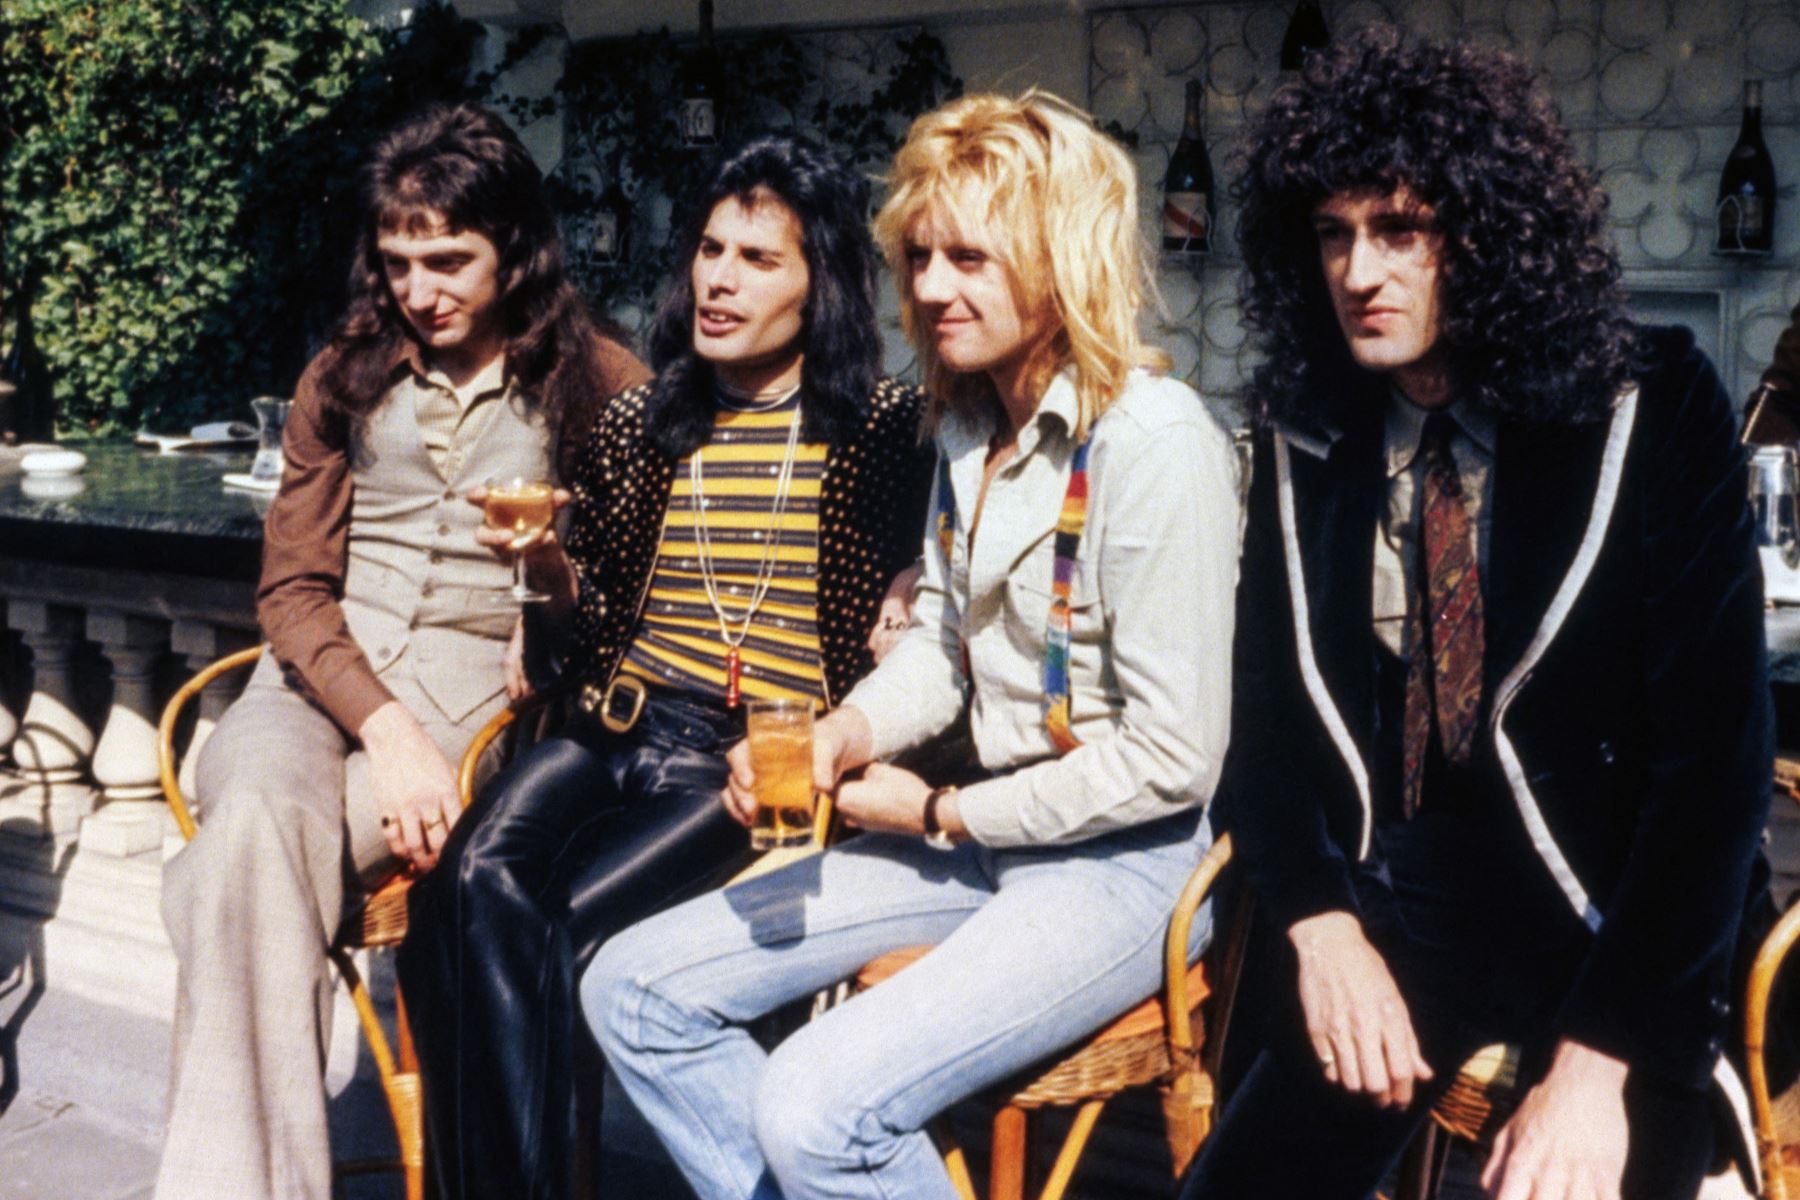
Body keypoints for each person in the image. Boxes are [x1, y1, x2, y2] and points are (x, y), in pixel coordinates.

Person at [582, 89, 1240, 1200]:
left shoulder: (1155, 443)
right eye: (922, 257)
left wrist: (939, 812)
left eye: (972, 258)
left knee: (813, 1105)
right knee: (633, 990)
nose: (932, 288)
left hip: (1122, 869)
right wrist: (845, 732)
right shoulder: (970, 425)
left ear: (1059, 257)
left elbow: (1174, 759)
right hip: (983, 849)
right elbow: (943, 640)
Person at [1182, 30, 1772, 1200]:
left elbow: (1716, 774)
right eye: (1334, 234)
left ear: (1491, 238)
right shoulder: (1310, 435)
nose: (1360, 272)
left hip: (1615, 906)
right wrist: (1319, 927)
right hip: (1402, 901)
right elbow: (1267, 734)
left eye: (1402, 231)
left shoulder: (1653, 403)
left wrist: (1598, 1066)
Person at [396, 134, 935, 1200]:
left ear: (820, 285)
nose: (720, 280)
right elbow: (569, 651)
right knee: (458, 895)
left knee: (555, 927)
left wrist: (919, 577)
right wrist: (545, 573)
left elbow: (951, 580)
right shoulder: (646, 422)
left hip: (750, 764)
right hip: (613, 726)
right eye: (709, 248)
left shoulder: (886, 432)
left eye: (759, 259)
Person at [155, 102, 647, 1200]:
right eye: (399, 260)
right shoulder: (345, 372)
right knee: (254, 819)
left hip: (479, 705)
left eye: (449, 260)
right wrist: (384, 724)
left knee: (235, 866)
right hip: (309, 689)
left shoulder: (600, 383)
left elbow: (630, 610)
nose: (420, 290)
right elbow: (290, 589)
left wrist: (549, 573)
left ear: (515, 248)